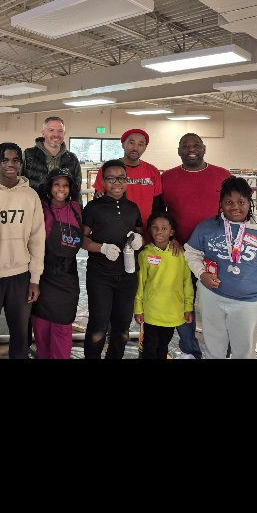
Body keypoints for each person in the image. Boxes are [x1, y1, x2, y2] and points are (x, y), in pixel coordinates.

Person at [184, 176, 257, 359]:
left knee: (244, 350)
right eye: (228, 202)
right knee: (213, 346)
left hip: (249, 303)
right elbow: (191, 253)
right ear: (220, 204)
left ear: (250, 203)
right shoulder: (207, 227)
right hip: (212, 297)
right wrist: (201, 274)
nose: (235, 207)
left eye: (241, 202)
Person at [0, 143, 45, 360]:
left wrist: (35, 279)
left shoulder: (30, 195)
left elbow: (37, 239)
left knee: (21, 339)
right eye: (5, 160)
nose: (10, 165)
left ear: (21, 164)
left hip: (20, 278)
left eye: (15, 160)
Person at [161, 133, 231, 359]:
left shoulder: (222, 175)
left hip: (217, 253)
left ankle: (224, 350)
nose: (191, 149)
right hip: (180, 250)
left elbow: (235, 211)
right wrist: (170, 238)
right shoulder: (168, 178)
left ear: (204, 148)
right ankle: (190, 350)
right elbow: (161, 214)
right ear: (179, 150)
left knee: (221, 303)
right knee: (184, 302)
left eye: (196, 145)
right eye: (185, 146)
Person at [82, 160, 144, 359]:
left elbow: (139, 232)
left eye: (121, 178)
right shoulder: (93, 207)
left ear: (127, 181)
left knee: (122, 330)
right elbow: (81, 239)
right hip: (100, 275)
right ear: (103, 181)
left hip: (127, 276)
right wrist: (101, 248)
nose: (116, 182)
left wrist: (138, 240)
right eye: (110, 178)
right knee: (98, 327)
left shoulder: (133, 207)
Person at [31, 168, 82, 359]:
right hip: (43, 277)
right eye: (57, 185)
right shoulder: (41, 208)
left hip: (68, 280)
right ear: (49, 187)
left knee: (62, 330)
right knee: (42, 331)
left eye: (66, 185)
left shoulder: (76, 209)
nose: (61, 189)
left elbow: (84, 237)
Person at [134, 211, 194, 359]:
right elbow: (140, 283)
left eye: (164, 228)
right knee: (149, 347)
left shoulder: (180, 254)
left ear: (171, 231)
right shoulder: (145, 254)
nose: (159, 231)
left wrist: (187, 307)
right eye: (155, 227)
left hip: (172, 312)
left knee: (163, 346)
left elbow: (187, 282)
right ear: (149, 230)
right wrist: (138, 308)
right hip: (151, 312)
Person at [92, 128, 163, 229]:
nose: (135, 148)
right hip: (113, 228)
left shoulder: (153, 171)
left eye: (140, 144)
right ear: (123, 144)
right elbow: (98, 199)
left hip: (145, 229)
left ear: (145, 147)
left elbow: (158, 206)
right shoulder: (108, 169)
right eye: (131, 143)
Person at [22, 116, 82, 202]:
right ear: (43, 133)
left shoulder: (72, 159)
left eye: (60, 131)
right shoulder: (29, 155)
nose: (56, 134)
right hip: (34, 210)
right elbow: (19, 185)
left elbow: (77, 191)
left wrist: (78, 212)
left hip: (62, 211)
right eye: (51, 130)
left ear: (64, 133)